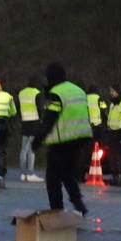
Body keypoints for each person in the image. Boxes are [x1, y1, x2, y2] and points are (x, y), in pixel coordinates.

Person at [32, 62, 92, 215]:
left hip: (62, 141)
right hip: (80, 139)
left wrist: (37, 141)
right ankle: (79, 204)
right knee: (67, 173)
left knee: (52, 177)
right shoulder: (77, 90)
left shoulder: (56, 93)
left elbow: (49, 120)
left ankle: (56, 209)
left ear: (51, 77)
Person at [16, 77, 44, 182]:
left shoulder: (21, 93)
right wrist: (41, 119)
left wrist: (21, 118)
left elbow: (17, 108)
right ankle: (30, 173)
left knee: (23, 148)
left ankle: (23, 174)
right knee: (31, 149)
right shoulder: (37, 93)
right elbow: (40, 108)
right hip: (34, 123)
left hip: (24, 123)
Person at [80, 85, 108, 181]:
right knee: (95, 151)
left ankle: (82, 175)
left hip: (85, 128)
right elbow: (104, 113)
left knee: (84, 152)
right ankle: (94, 172)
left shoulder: (84, 98)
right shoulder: (99, 98)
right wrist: (104, 124)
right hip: (97, 128)